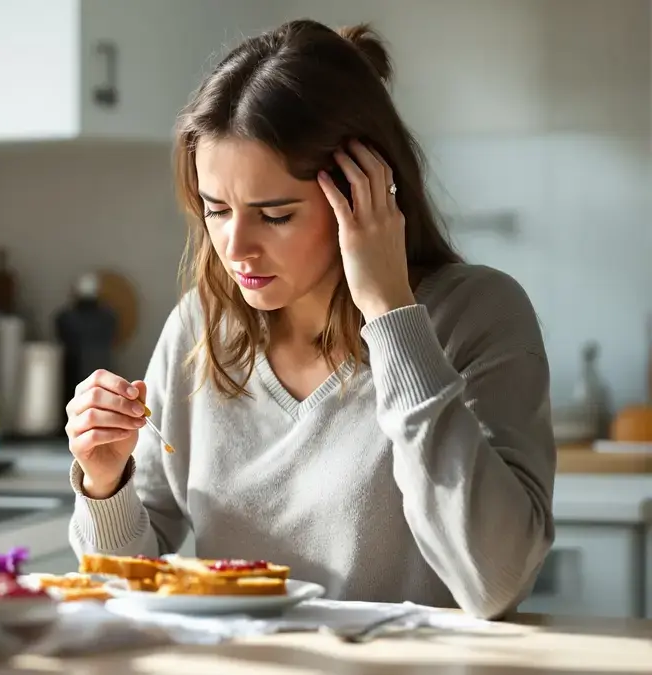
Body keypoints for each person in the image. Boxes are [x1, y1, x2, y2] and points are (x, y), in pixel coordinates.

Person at [64, 19, 555, 620]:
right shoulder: (199, 330)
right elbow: (125, 588)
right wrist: (105, 481)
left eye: (274, 215)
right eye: (217, 210)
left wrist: (392, 314)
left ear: (362, 192)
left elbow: (495, 584)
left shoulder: (476, 314)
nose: (236, 246)